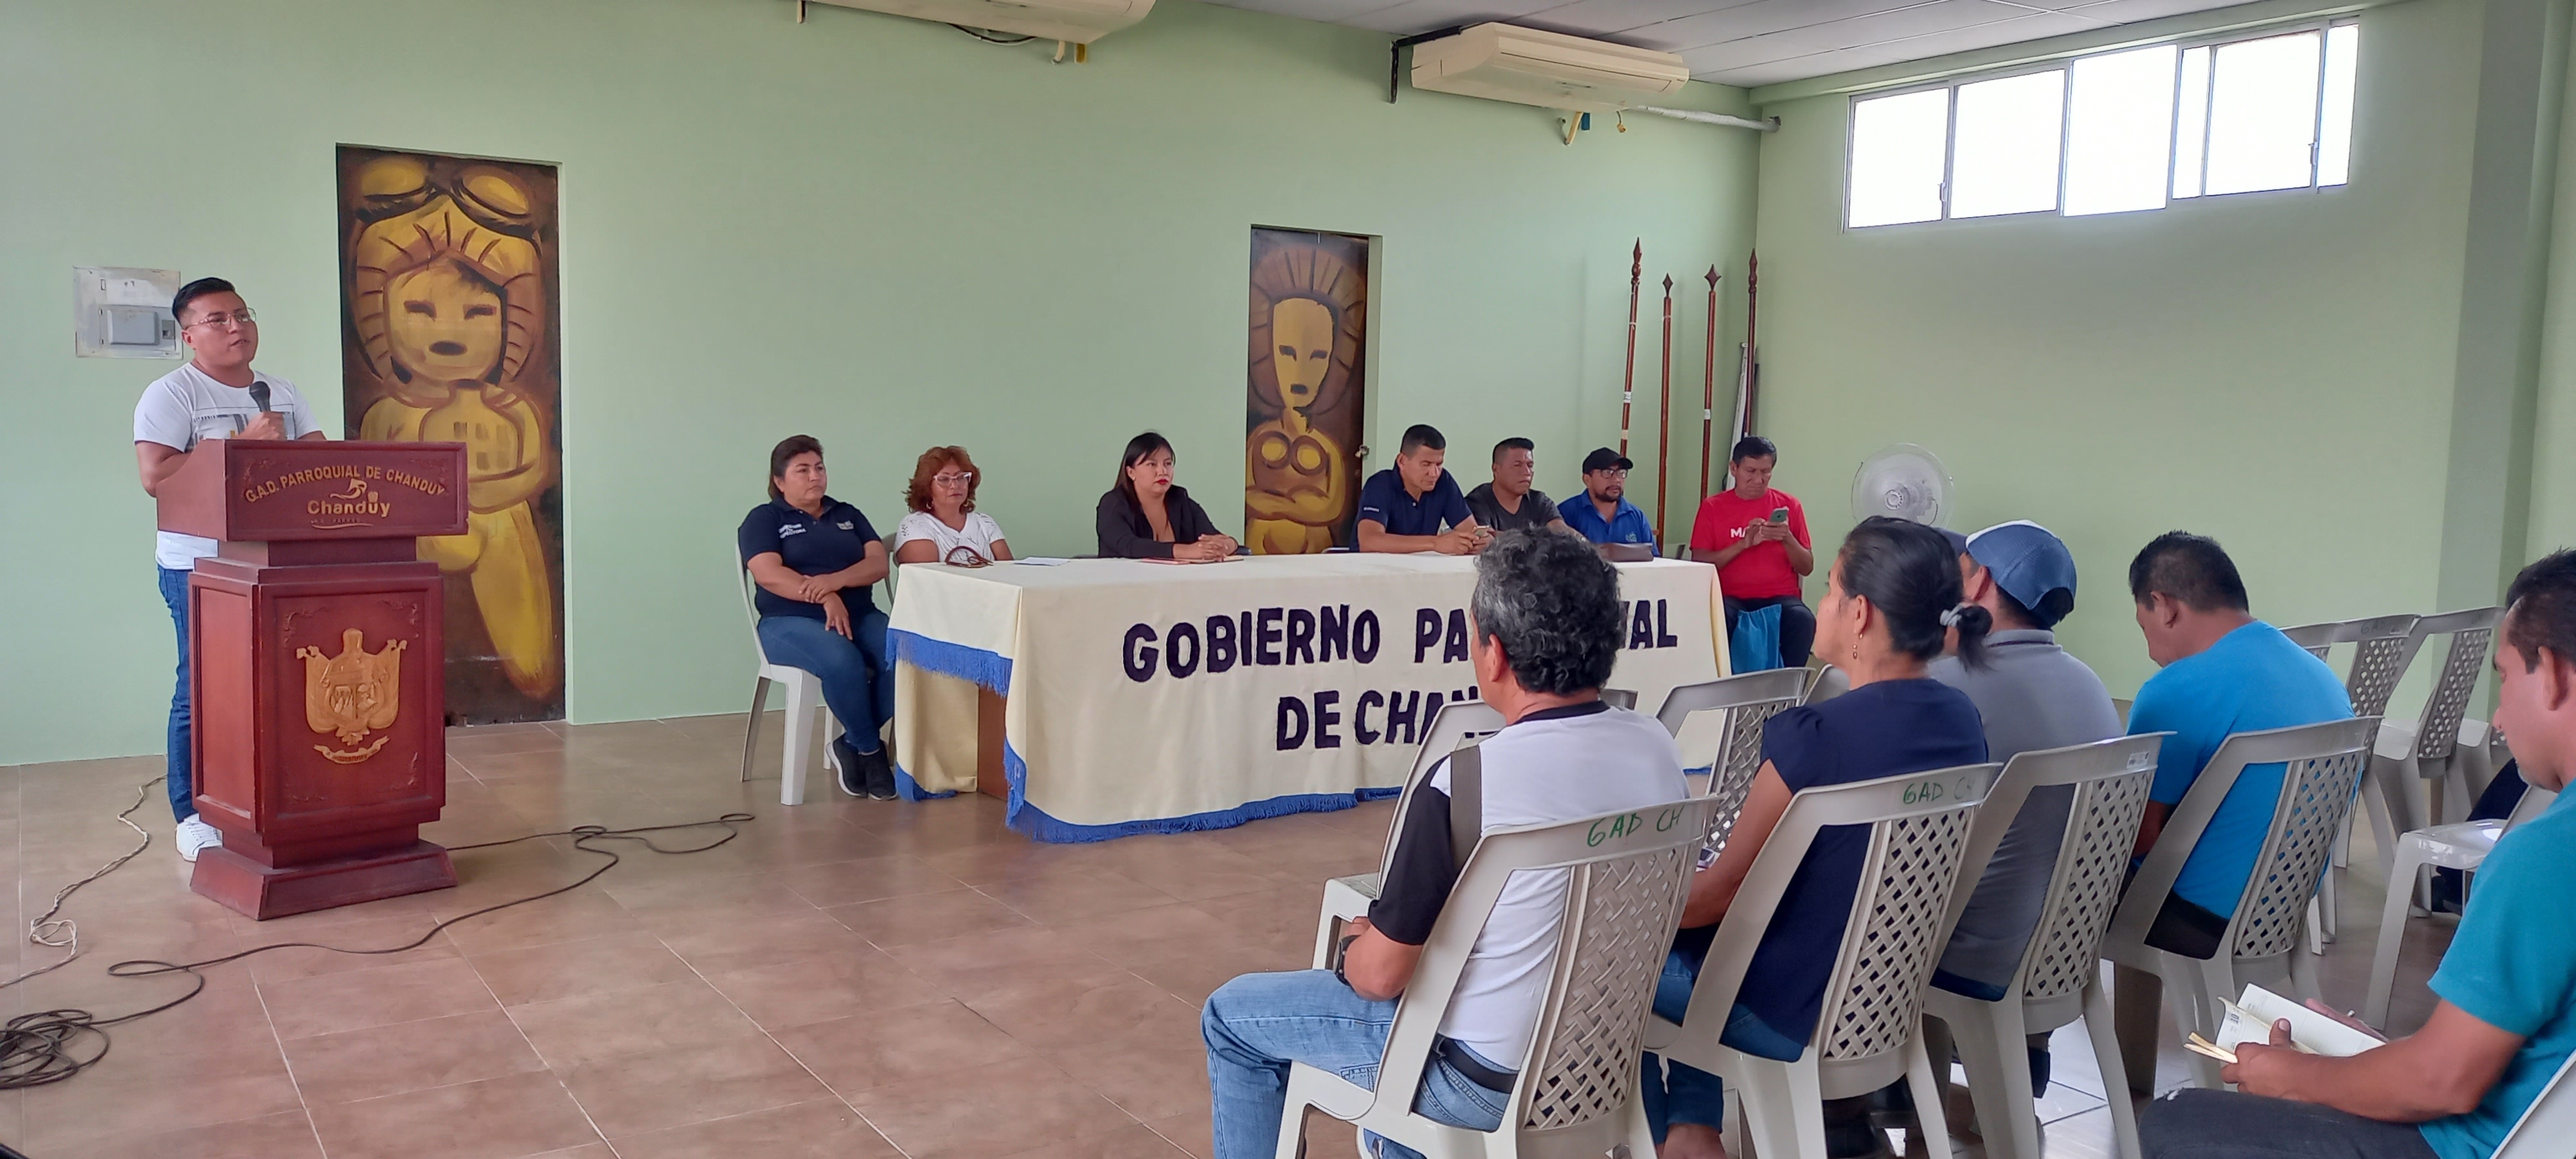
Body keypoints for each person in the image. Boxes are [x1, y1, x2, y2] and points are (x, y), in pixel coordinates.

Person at [1200, 529, 1689, 1159]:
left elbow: (1381, 976)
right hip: (1598, 1060)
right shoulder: (1655, 747)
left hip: (1477, 1081)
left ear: (1495, 654)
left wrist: (1354, 951)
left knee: (1230, 1018)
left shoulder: (1467, 781)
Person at [2139, 549, 2576, 1159]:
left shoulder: (2545, 856)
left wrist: (2295, 1075)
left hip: (2472, 1145)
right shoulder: (2312, 675)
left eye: (2503, 678)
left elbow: (2442, 1083)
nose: (2499, 717)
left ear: (2552, 673)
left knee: (2176, 1121)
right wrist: (2373, 1059)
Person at [1645, 516, 1993, 1159]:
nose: (1822, 604)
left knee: (1610, 964)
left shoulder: (1817, 735)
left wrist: (1622, 903)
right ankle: (1692, 1129)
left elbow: (1715, 898)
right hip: (1880, 996)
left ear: (1861, 613)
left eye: (1830, 590)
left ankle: (1675, 1136)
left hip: (1783, 1006)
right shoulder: (1962, 721)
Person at [2111, 532, 2352, 1092]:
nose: (2150, 649)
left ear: (2164, 606)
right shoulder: (2320, 677)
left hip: (2195, 920)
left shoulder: (2174, 690)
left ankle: (2018, 1058)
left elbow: (2139, 837)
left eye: (2144, 626)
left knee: (2046, 888)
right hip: (2282, 908)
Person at [1923, 522, 2122, 1100]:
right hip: (2065, 949)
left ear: (1980, 583)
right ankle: (2025, 1052)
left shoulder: (1948, 683)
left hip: (1975, 954)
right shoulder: (2089, 684)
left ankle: (1855, 1103)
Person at [133, 278, 327, 862]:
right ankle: (191, 813)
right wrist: (240, 444)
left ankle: (271, 796)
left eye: (243, 314)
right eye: (218, 319)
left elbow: (321, 461)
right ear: (189, 336)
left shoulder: (281, 392)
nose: (237, 327)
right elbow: (156, 479)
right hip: (199, 566)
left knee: (279, 684)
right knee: (201, 687)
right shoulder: (172, 394)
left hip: (277, 560)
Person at [739, 435, 896, 800]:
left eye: (819, 468)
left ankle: (851, 743)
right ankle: (871, 753)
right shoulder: (764, 519)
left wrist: (834, 582)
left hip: (860, 615)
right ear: (779, 481)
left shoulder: (847, 514)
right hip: (787, 621)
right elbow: (768, 574)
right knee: (843, 659)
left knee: (907, 654)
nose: (815, 476)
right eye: (803, 470)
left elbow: (878, 564)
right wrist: (825, 596)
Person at [1689, 436, 1817, 666]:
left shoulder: (1790, 505)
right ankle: (1724, 684)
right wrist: (1742, 545)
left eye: (1766, 472)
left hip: (1780, 597)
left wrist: (1787, 538)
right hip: (1730, 597)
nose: (1758, 480)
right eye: (1751, 471)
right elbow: (1700, 563)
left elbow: (1807, 567)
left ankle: (1789, 685)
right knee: (1718, 620)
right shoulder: (1712, 507)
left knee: (1803, 619)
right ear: (1734, 469)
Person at [1097, 432, 1238, 561]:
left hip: (1177, 580)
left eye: (1168, 463)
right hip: (1125, 579)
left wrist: (1227, 545)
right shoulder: (1112, 504)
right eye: (1152, 464)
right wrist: (1186, 551)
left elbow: (1213, 537)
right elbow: (1129, 546)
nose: (1163, 471)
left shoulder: (1180, 500)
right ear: (1131, 472)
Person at [1356, 424, 1485, 554]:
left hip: (1424, 566)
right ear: (1402, 461)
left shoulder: (1443, 481)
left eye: (1439, 464)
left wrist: (1481, 542)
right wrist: (1435, 543)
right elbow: (1369, 542)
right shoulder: (1380, 485)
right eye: (1426, 464)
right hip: (1375, 566)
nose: (1434, 473)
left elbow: (1470, 531)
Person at [895, 446, 1011, 567]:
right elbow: (927, 576)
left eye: (961, 478)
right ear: (927, 486)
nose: (955, 485)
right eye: (944, 479)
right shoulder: (916, 526)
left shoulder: (985, 523)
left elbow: (1009, 571)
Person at [1463, 438, 1567, 534]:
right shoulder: (1476, 502)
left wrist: (1575, 537)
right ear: (1496, 470)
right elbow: (1484, 538)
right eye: (1517, 465)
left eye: (1530, 465)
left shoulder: (1539, 501)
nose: (1527, 471)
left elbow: (1560, 529)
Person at [1557, 448, 1655, 549]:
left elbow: (1654, 557)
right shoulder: (1566, 513)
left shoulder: (1637, 516)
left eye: (1621, 473)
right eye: (1607, 472)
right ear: (1587, 480)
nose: (1617, 479)